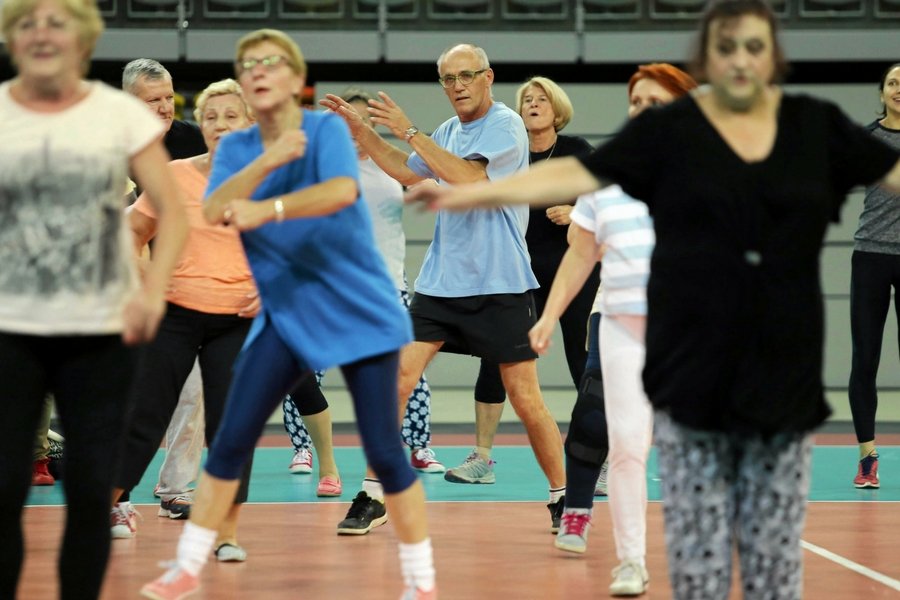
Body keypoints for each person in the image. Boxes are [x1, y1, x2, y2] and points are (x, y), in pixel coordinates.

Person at [406, 2, 900, 598]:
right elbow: (562, 190)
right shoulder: (635, 160)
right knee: (643, 456)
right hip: (635, 329)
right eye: (634, 102)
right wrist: (465, 198)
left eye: (750, 46)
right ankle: (633, 558)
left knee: (751, 497)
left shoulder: (803, 128)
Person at [140, 29, 436, 600]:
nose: (258, 70)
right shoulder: (244, 151)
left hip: (358, 304)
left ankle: (421, 578)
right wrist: (266, 162)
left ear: (292, 80)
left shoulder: (322, 129)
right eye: (249, 62)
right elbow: (221, 206)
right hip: (290, 310)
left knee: (381, 447)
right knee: (229, 440)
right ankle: (188, 566)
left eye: (270, 64)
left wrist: (268, 200)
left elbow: (339, 191)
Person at [321, 43, 567, 533]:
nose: (456, 86)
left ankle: (565, 497)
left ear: (487, 77)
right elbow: (409, 172)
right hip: (441, 284)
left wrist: (409, 129)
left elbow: (470, 177)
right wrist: (364, 133)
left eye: (465, 76)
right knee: (394, 382)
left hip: (500, 284)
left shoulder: (505, 125)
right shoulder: (450, 131)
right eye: (448, 79)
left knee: (525, 398)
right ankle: (373, 495)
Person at [0, 0, 187, 596]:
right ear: (12, 39)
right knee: (4, 486)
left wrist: (153, 294)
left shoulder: (115, 114)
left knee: (88, 487)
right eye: (28, 24)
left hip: (100, 328)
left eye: (59, 23)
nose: (43, 35)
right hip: (14, 326)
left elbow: (172, 210)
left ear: (83, 40)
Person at [531, 64, 697, 597]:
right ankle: (630, 560)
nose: (641, 112)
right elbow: (580, 256)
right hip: (622, 321)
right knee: (624, 442)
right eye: (635, 102)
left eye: (656, 103)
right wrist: (550, 315)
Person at [282, 87, 445, 479]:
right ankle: (303, 448)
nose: (353, 128)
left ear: (369, 125)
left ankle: (418, 445)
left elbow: (432, 186)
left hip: (386, 282)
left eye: (360, 121)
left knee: (407, 370)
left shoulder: (392, 165)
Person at [445, 76, 597, 486]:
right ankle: (481, 458)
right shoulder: (506, 151)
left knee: (583, 364)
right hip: (517, 275)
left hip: (572, 273)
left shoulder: (577, 152)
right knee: (495, 359)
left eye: (540, 99)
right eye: (526, 99)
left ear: (556, 108)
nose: (532, 104)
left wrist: (577, 210)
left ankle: (594, 461)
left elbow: (607, 195)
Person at [123, 57, 208, 513]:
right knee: (129, 394)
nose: (163, 107)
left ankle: (176, 489)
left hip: (183, 285)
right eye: (151, 100)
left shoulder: (192, 140)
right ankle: (115, 495)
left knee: (193, 392)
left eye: (167, 98)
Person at [847, 61, 900, 490]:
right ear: (881, 92)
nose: (899, 89)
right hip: (870, 258)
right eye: (893, 83)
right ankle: (867, 458)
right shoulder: (865, 138)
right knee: (865, 358)